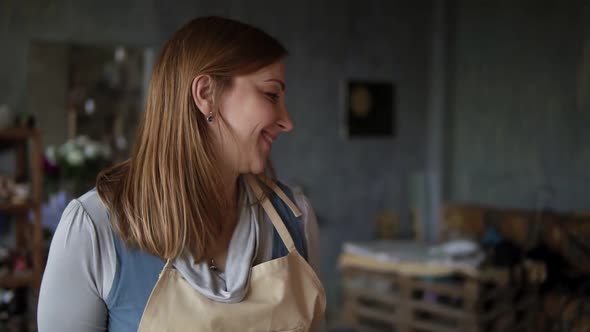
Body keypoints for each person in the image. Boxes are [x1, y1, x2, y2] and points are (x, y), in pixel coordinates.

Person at [38, 16, 326, 332]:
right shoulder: (94, 230)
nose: (287, 121)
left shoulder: (296, 220)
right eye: (271, 95)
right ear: (205, 94)